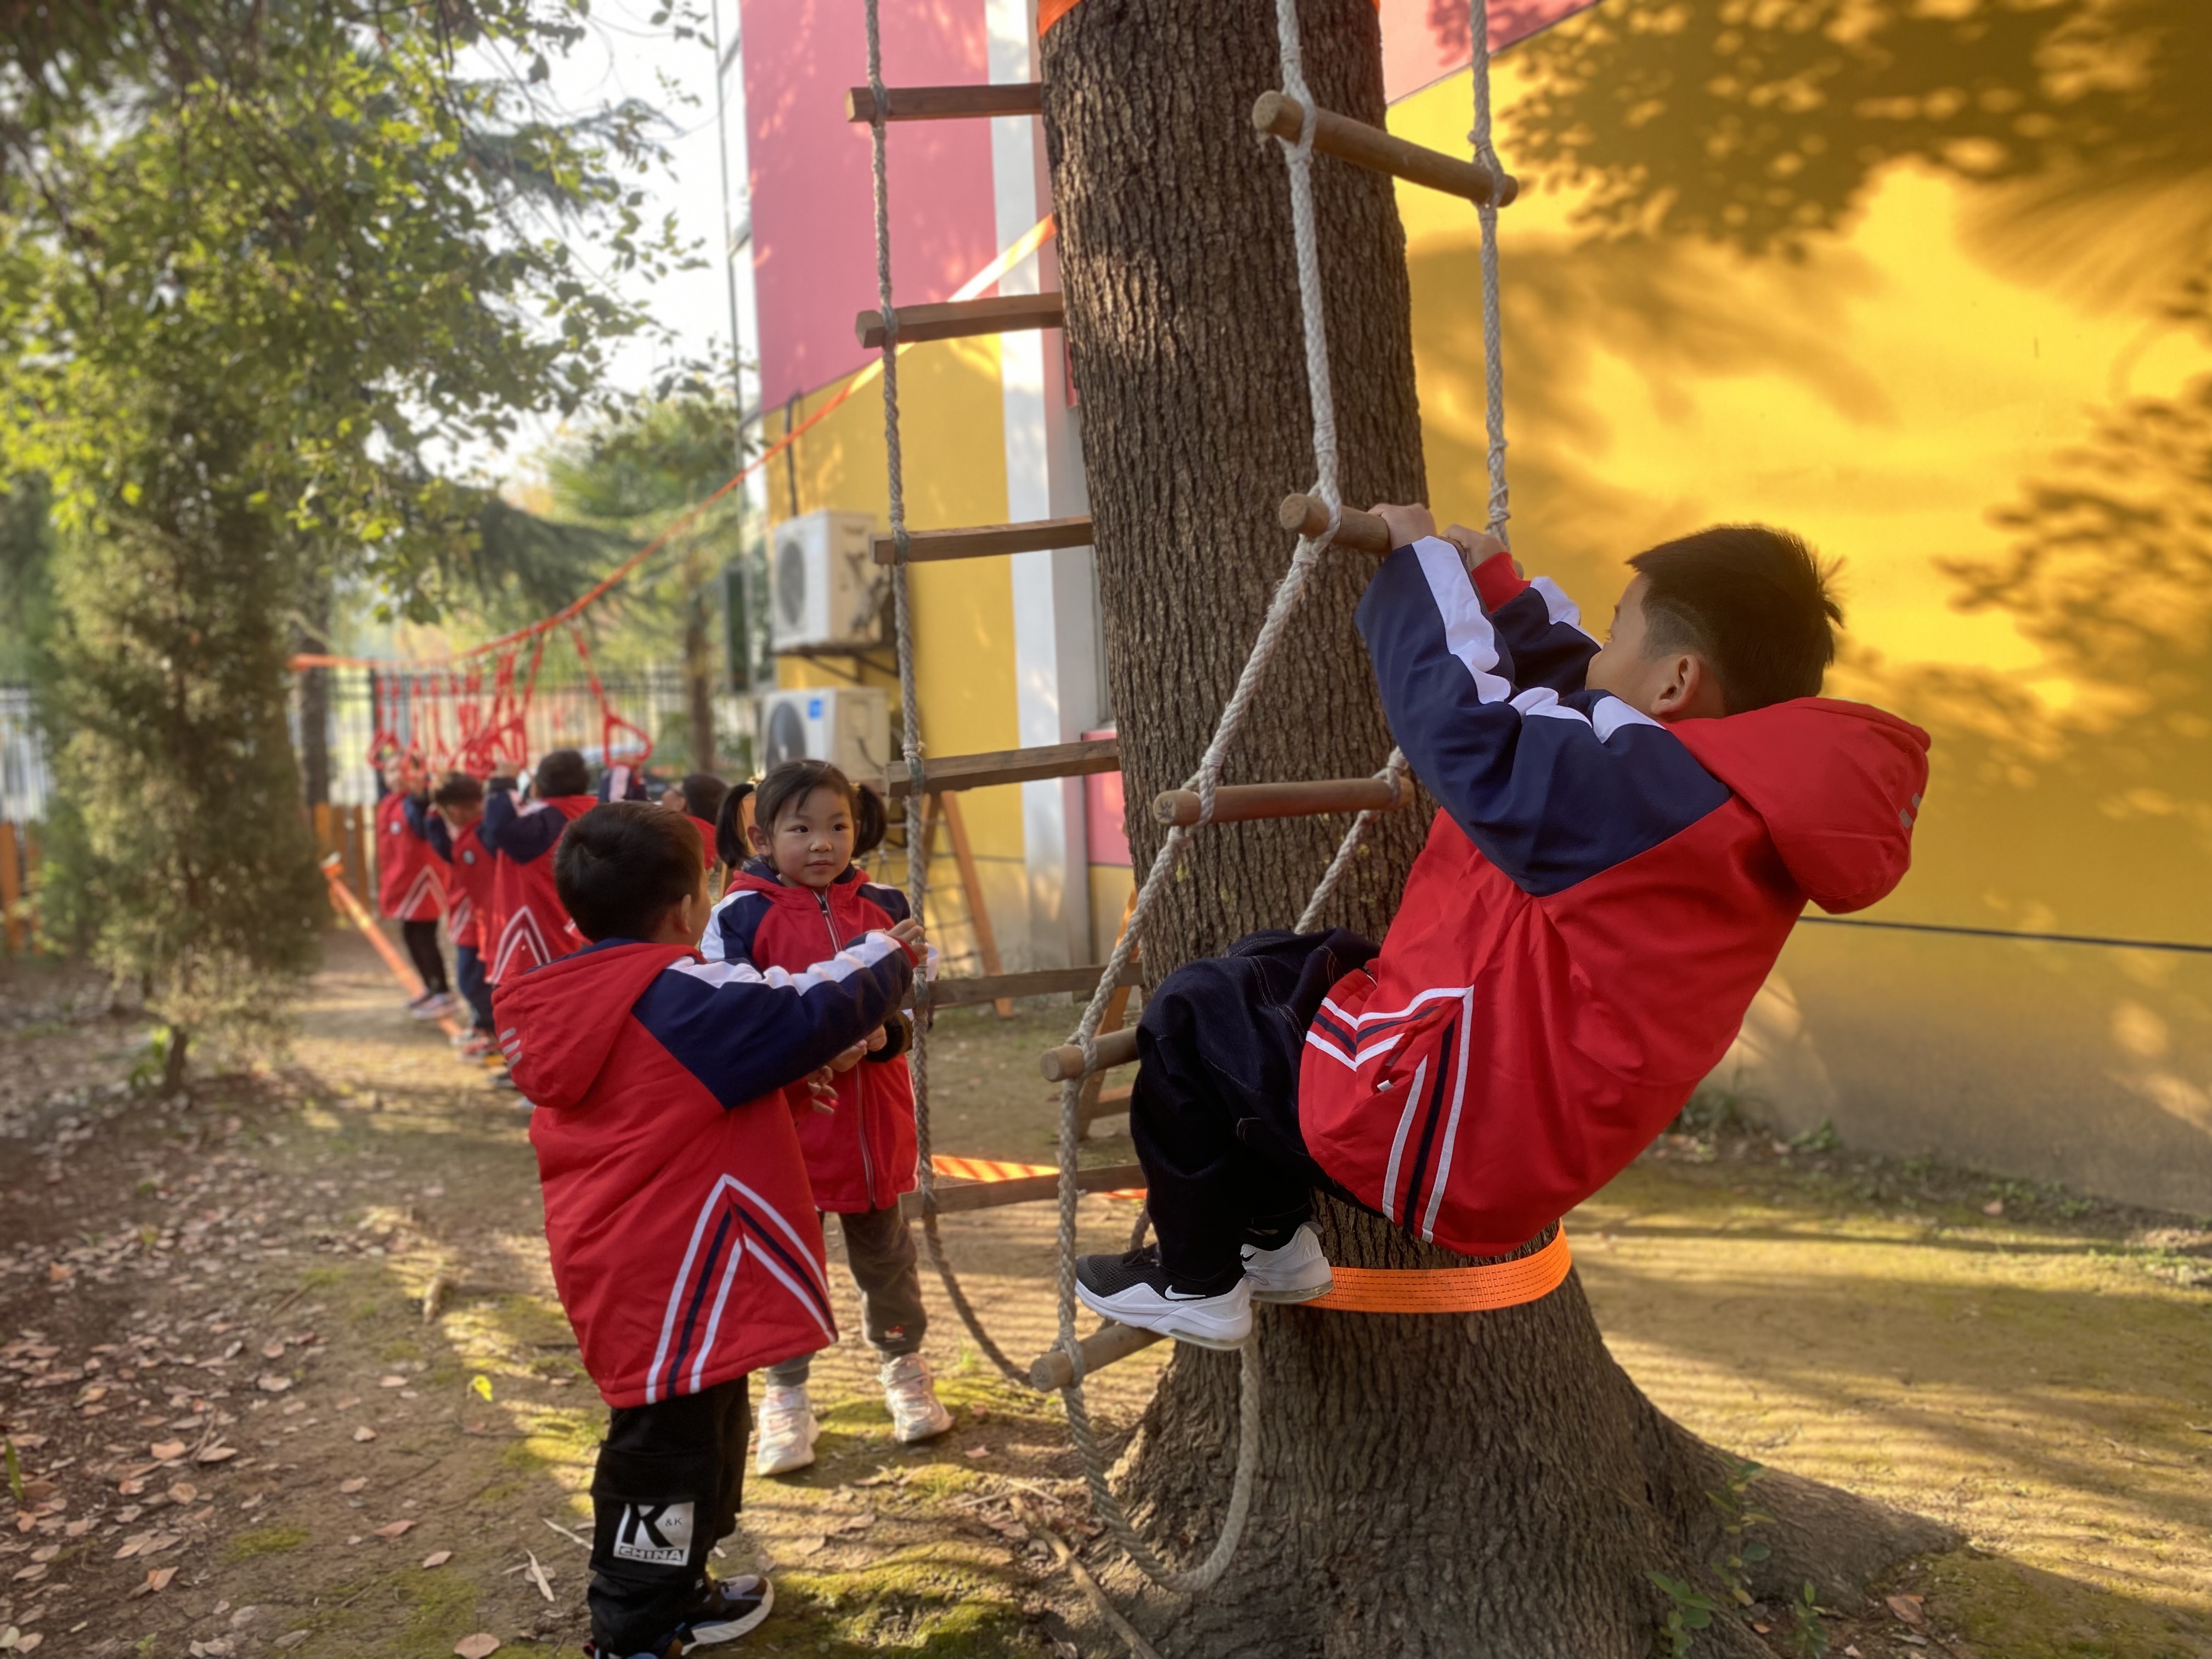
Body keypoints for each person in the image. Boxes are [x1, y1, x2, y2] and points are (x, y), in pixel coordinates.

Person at [1075, 509, 1931, 1347]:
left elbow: (1470, 737)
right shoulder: (1712, 799)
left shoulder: (1646, 802)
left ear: (1674, 681)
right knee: (1292, 971)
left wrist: (1418, 569)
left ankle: (1195, 1281)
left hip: (1443, 1129)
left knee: (1195, 1015)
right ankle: (1273, 1245)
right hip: (1506, 1126)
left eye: (1618, 627)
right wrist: (1494, 591)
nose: (1598, 649)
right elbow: (1585, 699)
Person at [496, 802, 924, 1659]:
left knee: (707, 1425)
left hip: (642, 1261)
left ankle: (680, 1587)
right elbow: (808, 1008)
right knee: (661, 1450)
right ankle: (634, 1625)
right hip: (671, 1269)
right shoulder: (678, 993)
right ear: (687, 905)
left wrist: (783, 1091)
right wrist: (894, 947)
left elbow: (672, 1097)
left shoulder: (588, 993)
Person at [702, 760, 954, 1474]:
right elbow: (730, 1024)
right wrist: (808, 1056)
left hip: (872, 1125)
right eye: (802, 828)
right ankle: (785, 1396)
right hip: (785, 1133)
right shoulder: (738, 915)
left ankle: (904, 1369)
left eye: (837, 826)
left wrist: (884, 1037)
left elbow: (914, 1000)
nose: (823, 843)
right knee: (783, 1268)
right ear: (762, 835)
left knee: (887, 1259)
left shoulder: (885, 903)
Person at [482, 748, 596, 986]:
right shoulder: (591, 811)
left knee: (534, 996)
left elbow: (498, 830)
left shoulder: (546, 820)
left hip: (541, 924)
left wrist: (504, 783)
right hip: (576, 921)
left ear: (539, 786)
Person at [408, 772, 498, 1061]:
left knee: (472, 980)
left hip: (479, 919)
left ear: (456, 811)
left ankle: (492, 1033)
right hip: (474, 918)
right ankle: (484, 1026)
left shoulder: (481, 834)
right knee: (472, 979)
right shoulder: (475, 830)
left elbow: (450, 855)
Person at [373, 748, 453, 1022]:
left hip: (422, 882)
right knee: (411, 936)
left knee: (424, 937)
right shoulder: (390, 803)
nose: (396, 776)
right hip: (403, 880)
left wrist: (419, 795)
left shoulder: (417, 801)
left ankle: (442, 991)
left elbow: (421, 824)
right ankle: (430, 988)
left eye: (402, 769)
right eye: (391, 770)